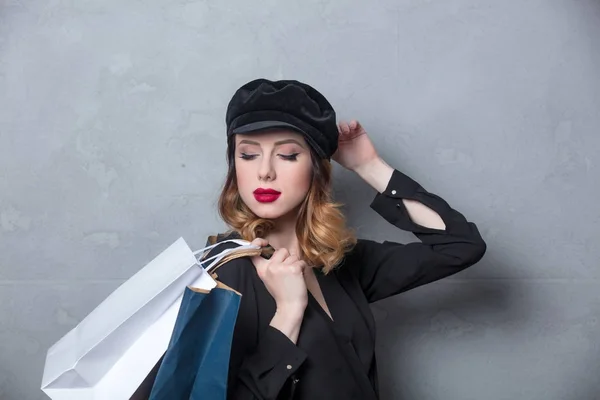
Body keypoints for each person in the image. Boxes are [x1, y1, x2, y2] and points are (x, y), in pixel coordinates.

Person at [204, 78, 487, 400]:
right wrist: (288, 310)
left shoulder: (338, 260)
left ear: (316, 168)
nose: (265, 171)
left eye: (287, 155)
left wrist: (369, 167)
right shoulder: (222, 273)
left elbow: (460, 246)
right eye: (248, 155)